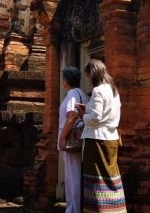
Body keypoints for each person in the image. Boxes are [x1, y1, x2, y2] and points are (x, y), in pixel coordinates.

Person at [76, 59, 125, 213]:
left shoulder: (98, 90)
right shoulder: (113, 90)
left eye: (88, 75)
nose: (88, 78)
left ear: (93, 74)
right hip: (111, 138)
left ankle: (99, 210)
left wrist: (83, 115)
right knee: (111, 177)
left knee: (96, 179)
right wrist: (87, 108)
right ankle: (116, 209)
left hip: (97, 140)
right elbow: (105, 113)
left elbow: (96, 118)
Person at [57, 66, 89, 213]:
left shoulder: (71, 94)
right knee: (74, 174)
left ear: (66, 81)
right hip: (78, 137)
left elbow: (72, 116)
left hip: (71, 138)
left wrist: (62, 137)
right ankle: (74, 207)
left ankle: (73, 209)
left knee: (72, 175)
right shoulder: (82, 94)